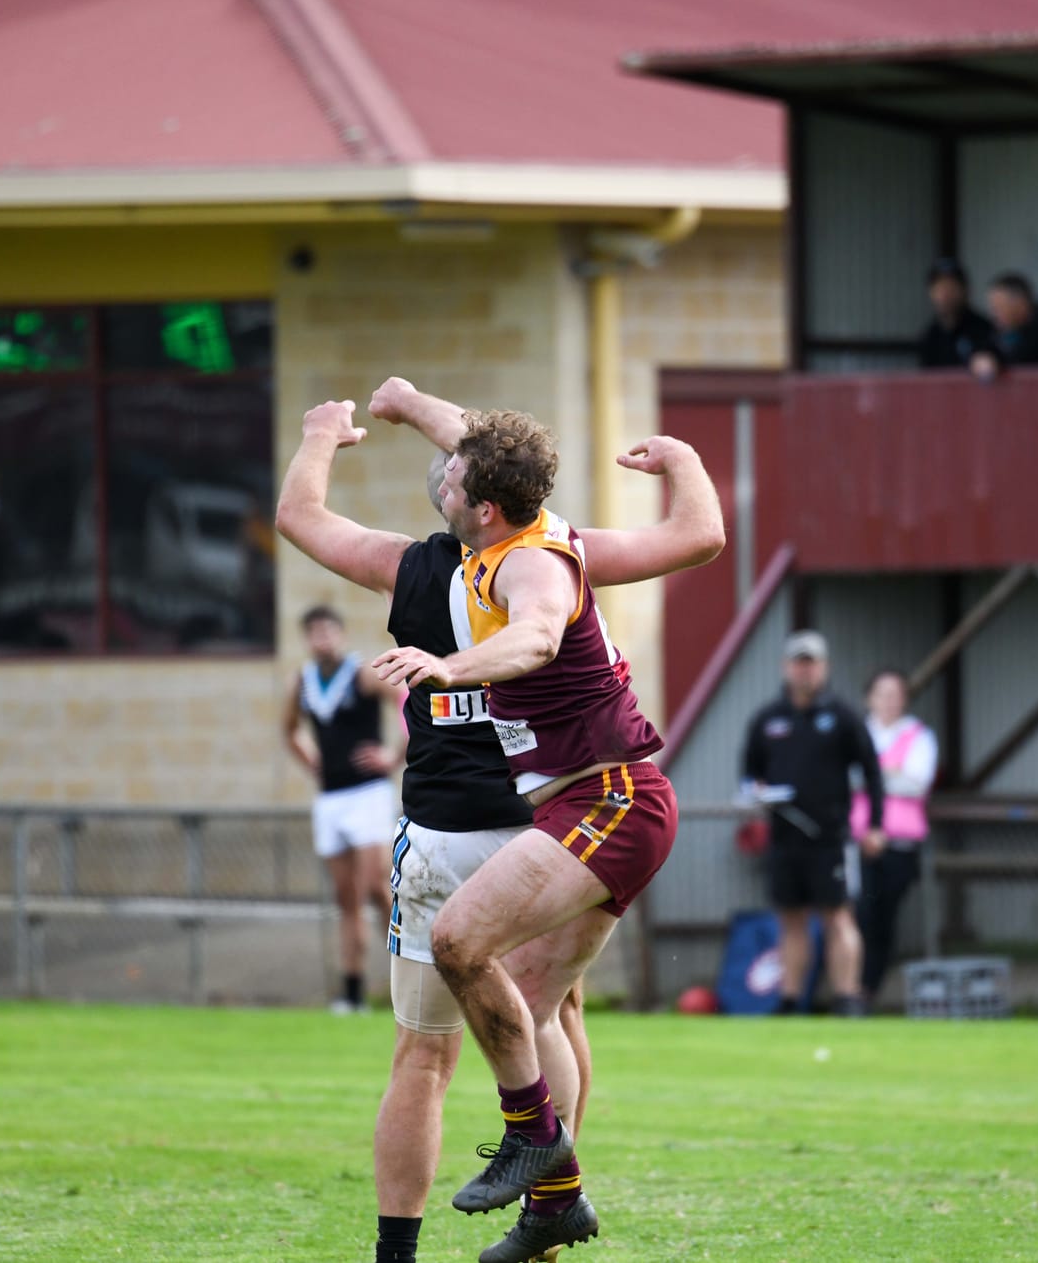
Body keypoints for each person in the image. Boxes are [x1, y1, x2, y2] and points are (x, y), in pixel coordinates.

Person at [274, 383, 723, 1263]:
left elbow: (536, 637)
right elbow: (697, 536)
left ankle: (518, 1173)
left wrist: (448, 668)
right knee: (546, 1010)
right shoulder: (549, 533)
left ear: (480, 504)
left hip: (572, 806)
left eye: (454, 471)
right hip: (545, 815)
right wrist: (409, 404)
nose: (442, 466)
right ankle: (554, 1209)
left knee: (438, 1016)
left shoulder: (496, 566)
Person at [740, 630, 885, 1018]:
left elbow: (872, 773)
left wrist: (875, 824)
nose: (805, 671)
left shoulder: (842, 716)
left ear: (824, 668)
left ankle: (847, 996)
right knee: (790, 918)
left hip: (830, 837)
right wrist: (756, 793)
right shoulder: (767, 719)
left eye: (812, 663)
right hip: (785, 836)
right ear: (786, 667)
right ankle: (790, 999)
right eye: (798, 663)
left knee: (838, 915)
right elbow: (749, 773)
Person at [285, 604, 402, 1014]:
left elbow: (405, 704)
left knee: (377, 888)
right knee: (346, 897)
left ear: (342, 634)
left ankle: (414, 966)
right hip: (331, 797)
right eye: (314, 631)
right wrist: (310, 760)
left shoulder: (361, 673)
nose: (323, 638)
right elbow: (289, 730)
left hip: (368, 792)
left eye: (328, 630)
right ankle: (352, 992)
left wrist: (393, 756)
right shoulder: (303, 680)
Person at [849, 669, 939, 1007]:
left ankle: (867, 989)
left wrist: (870, 774)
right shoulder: (857, 732)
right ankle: (850, 986)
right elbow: (844, 776)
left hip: (899, 842)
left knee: (881, 916)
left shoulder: (919, 735)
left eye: (896, 694)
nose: (889, 701)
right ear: (869, 698)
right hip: (857, 841)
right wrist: (889, 771)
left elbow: (917, 783)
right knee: (857, 916)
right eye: (882, 693)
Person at [915, 257, 998, 370]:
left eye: (951, 287)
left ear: (964, 290)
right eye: (939, 288)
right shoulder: (930, 335)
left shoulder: (984, 330)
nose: (945, 295)